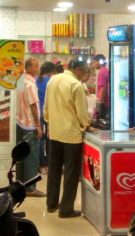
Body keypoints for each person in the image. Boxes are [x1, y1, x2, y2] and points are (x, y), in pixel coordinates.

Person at [44, 59, 93, 218]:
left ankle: (51, 204)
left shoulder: (52, 80)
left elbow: (46, 106)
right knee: (71, 172)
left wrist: (49, 122)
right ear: (77, 69)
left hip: (55, 132)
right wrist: (86, 124)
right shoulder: (76, 85)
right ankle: (66, 209)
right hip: (71, 134)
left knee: (54, 169)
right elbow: (81, 112)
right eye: (84, 71)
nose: (84, 75)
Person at [16, 58, 44, 197]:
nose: (38, 68)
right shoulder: (31, 84)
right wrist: (38, 125)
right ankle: (31, 188)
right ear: (28, 68)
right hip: (29, 125)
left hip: (19, 122)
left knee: (21, 156)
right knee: (31, 158)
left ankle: (20, 184)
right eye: (36, 66)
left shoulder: (20, 80)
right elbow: (33, 105)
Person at [35, 61, 56, 174]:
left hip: (38, 111)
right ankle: (49, 164)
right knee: (50, 137)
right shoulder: (52, 81)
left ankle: (42, 164)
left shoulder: (35, 80)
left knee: (39, 138)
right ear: (51, 71)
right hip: (50, 112)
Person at [94, 54, 109, 119]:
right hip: (106, 103)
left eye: (95, 62)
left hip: (104, 105)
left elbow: (103, 90)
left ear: (98, 62)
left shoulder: (102, 73)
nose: (94, 64)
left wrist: (99, 106)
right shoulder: (105, 70)